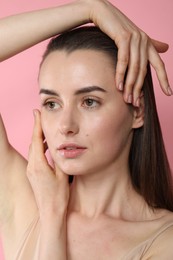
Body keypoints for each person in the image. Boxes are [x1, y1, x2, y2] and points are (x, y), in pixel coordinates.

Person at [0, 0, 173, 259]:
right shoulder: (27, 202)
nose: (66, 126)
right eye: (52, 103)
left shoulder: (163, 240)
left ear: (137, 111)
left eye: (89, 102)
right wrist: (89, 9)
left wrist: (52, 221)